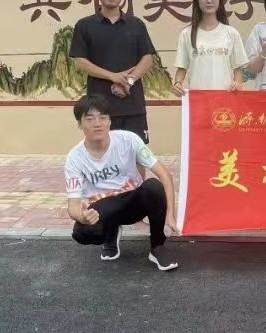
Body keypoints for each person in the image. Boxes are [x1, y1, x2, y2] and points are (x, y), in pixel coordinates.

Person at [64, 95, 180, 271]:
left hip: (132, 201)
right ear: (80, 124)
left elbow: (164, 174)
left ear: (110, 121)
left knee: (153, 186)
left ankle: (158, 246)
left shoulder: (129, 140)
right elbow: (73, 207)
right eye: (90, 119)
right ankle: (111, 233)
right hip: (104, 208)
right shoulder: (74, 158)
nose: (97, 124)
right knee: (82, 232)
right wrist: (82, 217)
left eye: (103, 118)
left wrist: (170, 214)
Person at [69, 0, 157, 144]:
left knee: (136, 151)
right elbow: (80, 61)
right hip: (99, 110)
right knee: (103, 152)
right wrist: (113, 76)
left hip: (133, 105)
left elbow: (148, 57)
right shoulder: (84, 26)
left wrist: (128, 81)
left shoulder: (136, 24)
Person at [172, 0, 249, 93]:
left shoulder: (231, 33)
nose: (209, 0)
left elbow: (238, 69)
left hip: (225, 99)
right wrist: (177, 83)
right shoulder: (186, 34)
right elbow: (181, 68)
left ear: (220, 0)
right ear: (197, 0)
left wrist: (237, 84)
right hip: (198, 100)